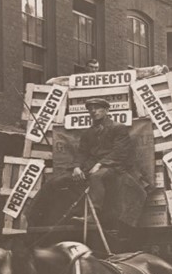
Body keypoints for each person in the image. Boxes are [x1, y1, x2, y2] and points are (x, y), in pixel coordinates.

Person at [42, 98, 146, 229]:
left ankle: (93, 215)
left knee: (97, 177)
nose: (93, 111)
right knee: (58, 181)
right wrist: (76, 167)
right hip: (90, 166)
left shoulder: (118, 128)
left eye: (97, 108)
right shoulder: (88, 132)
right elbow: (82, 153)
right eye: (90, 109)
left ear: (106, 110)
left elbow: (120, 152)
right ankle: (46, 216)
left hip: (114, 166)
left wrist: (100, 164)